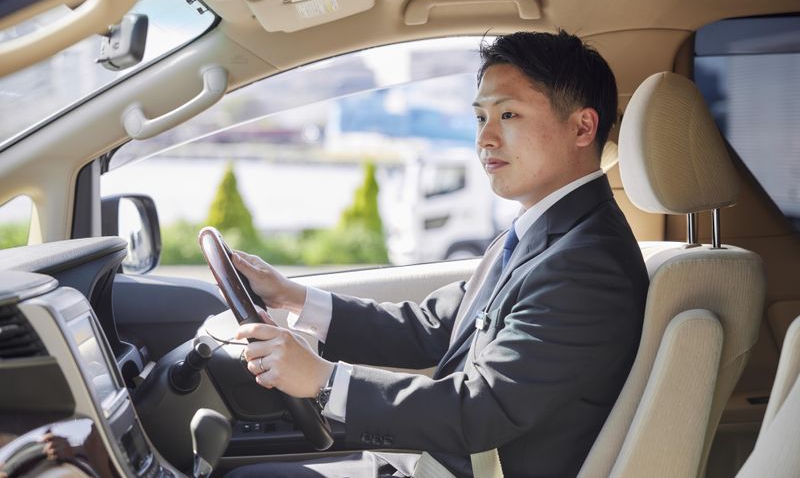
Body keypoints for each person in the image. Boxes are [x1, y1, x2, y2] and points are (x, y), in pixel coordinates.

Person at [227, 31, 649, 478]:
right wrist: (291, 296)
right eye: (480, 117)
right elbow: (433, 326)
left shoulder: (587, 265)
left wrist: (324, 380)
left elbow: (483, 408)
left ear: (582, 127)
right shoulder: (544, 232)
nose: (485, 138)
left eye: (508, 114)